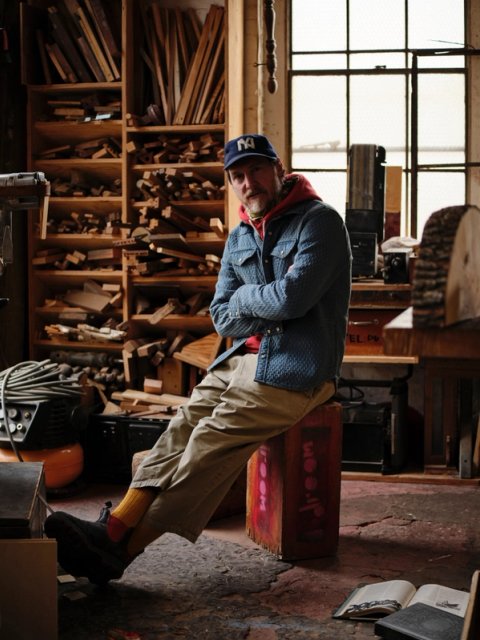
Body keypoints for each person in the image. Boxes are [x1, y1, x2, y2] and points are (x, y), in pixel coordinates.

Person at [44, 133, 352, 585]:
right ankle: (116, 526)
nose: (248, 183)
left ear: (278, 169)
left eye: (257, 170)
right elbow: (221, 315)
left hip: (298, 366)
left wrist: (247, 298)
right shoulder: (240, 234)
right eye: (238, 176)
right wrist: (261, 304)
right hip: (240, 359)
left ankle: (123, 550)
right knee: (181, 428)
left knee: (208, 440)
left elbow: (292, 299)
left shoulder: (319, 222)